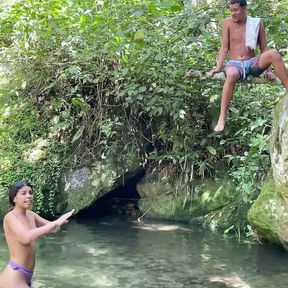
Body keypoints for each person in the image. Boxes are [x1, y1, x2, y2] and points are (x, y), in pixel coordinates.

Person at [212, 0, 288, 131]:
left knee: (274, 53)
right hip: (234, 63)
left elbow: (264, 48)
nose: (233, 13)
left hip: (251, 62)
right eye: (231, 10)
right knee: (232, 74)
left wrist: (268, 70)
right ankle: (222, 116)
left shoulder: (256, 23)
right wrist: (218, 67)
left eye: (236, 10)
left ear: (244, 8)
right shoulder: (227, 23)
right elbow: (224, 47)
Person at [0, 181, 74, 288]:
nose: (29, 196)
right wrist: (55, 223)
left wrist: (60, 221)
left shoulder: (31, 215)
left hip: (27, 275)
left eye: (30, 192)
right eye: (24, 193)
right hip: (15, 276)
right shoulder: (10, 217)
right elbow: (26, 237)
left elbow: (52, 228)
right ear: (14, 198)